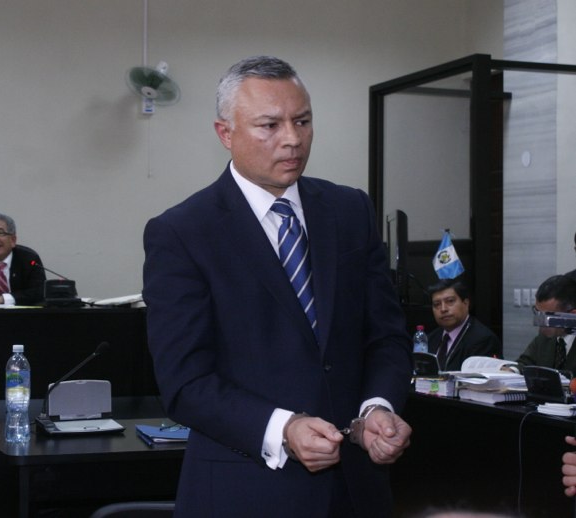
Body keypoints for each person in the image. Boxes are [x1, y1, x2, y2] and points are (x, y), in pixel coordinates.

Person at [142, 56, 413, 517]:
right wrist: (283, 429)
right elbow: (185, 383)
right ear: (225, 133)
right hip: (245, 491)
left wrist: (377, 407)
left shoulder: (350, 211)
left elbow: (386, 335)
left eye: (302, 121)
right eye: (269, 125)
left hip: (357, 490)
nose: (292, 139)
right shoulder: (183, 232)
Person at [426, 278, 502, 371]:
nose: (443, 309)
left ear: (466, 303)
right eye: (437, 304)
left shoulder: (483, 340)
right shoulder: (430, 339)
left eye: (450, 301)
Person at [516, 274, 576, 373]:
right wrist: (512, 370)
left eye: (548, 317)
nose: (541, 322)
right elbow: (525, 362)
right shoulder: (544, 336)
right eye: (537, 312)